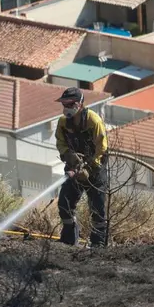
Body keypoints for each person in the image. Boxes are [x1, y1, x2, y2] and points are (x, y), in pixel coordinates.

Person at [54, 87, 109, 248]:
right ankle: (68, 240)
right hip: (73, 168)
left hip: (95, 171)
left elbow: (102, 148)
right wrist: (68, 154)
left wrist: (89, 168)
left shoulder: (94, 121)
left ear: (79, 104)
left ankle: (98, 245)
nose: (66, 108)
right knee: (64, 203)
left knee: (98, 209)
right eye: (64, 104)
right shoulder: (63, 123)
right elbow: (60, 143)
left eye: (70, 104)